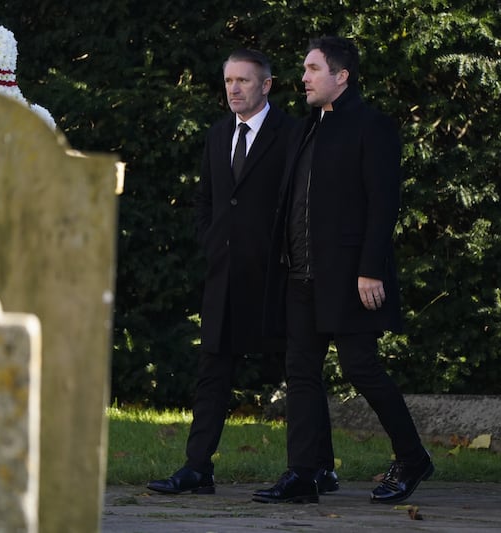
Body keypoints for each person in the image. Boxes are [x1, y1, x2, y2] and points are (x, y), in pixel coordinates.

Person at [147, 48, 338, 496]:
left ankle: (318, 468)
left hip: (278, 277)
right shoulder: (217, 135)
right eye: (229, 80)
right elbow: (207, 199)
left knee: (301, 371)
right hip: (225, 275)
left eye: (244, 81)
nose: (234, 89)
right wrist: (211, 242)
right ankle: (197, 468)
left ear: (266, 85)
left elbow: (303, 202)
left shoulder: (293, 133)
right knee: (212, 368)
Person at [253, 36, 433, 505]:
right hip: (301, 275)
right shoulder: (307, 127)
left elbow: (383, 202)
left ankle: (413, 458)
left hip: (351, 276)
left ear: (341, 76)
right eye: (304, 69)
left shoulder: (372, 126)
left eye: (313, 69)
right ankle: (304, 474)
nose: (304, 78)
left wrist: (370, 268)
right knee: (302, 373)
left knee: (361, 368)